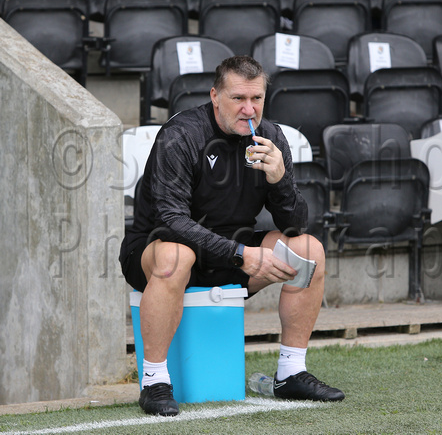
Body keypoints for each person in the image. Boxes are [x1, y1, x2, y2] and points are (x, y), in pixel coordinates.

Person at [119, 55, 345, 417]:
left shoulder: (270, 136)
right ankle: (154, 380)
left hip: (231, 251)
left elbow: (295, 224)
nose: (249, 109)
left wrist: (279, 179)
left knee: (309, 250)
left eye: (256, 99)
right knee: (177, 256)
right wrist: (242, 254)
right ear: (215, 96)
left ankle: (291, 372)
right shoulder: (181, 135)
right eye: (238, 98)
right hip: (157, 248)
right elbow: (171, 220)